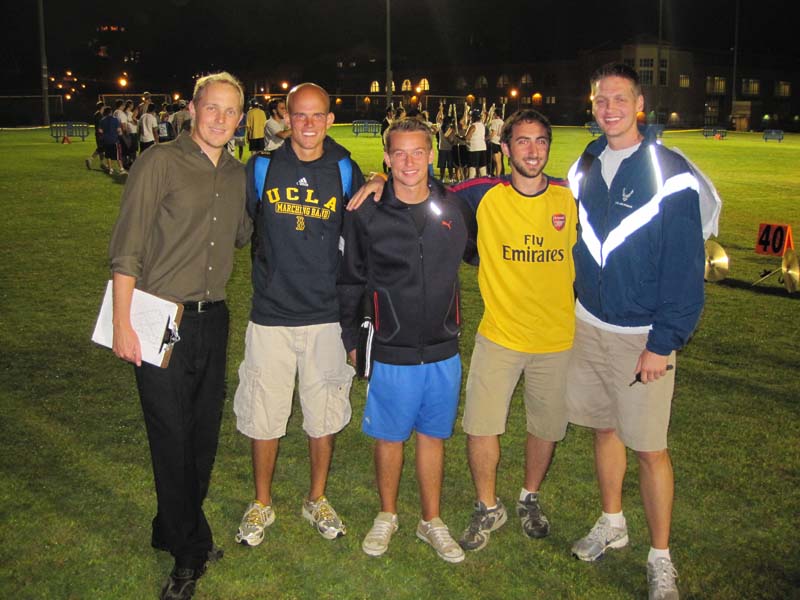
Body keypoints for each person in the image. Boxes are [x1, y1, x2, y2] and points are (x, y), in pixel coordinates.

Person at [348, 109, 578, 555]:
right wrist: (378, 177)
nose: (411, 162)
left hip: (499, 341)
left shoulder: (557, 198)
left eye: (541, 141)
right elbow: (356, 271)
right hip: (440, 339)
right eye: (401, 154)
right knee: (429, 432)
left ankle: (478, 509)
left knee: (479, 431)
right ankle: (415, 512)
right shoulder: (452, 198)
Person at [108, 72, 251, 600]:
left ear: (241, 118)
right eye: (211, 107)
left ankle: (172, 526)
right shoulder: (159, 161)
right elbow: (128, 245)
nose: (219, 118)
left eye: (230, 111)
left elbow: (240, 234)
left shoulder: (238, 173)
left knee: (203, 434)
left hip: (213, 317)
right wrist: (123, 323)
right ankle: (188, 552)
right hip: (157, 314)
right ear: (193, 109)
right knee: (171, 434)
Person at [565, 63, 704, 600]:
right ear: (592, 104)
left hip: (642, 334)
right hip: (590, 325)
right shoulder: (587, 162)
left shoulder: (670, 170)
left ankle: (660, 556)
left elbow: (685, 266)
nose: (610, 109)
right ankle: (613, 522)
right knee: (604, 430)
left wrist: (662, 341)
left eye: (620, 99)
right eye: (601, 100)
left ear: (639, 102)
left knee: (649, 448)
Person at [233, 83, 365, 548]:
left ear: (330, 119)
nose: (308, 124)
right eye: (299, 115)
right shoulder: (262, 167)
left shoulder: (346, 170)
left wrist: (380, 180)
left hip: (326, 315)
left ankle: (317, 498)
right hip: (270, 314)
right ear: (286, 118)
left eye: (317, 115)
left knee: (323, 415)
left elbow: (362, 231)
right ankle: (262, 502)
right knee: (263, 414)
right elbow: (241, 226)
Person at [338, 118, 468, 563]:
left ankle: (430, 520)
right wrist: (351, 334)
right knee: (390, 437)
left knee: (434, 436)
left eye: (418, 152)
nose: (409, 162)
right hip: (390, 345)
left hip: (442, 348)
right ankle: (387, 513)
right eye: (399, 154)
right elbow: (350, 278)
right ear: (387, 158)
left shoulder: (454, 207)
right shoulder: (366, 211)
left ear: (432, 154)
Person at [98, 106, 125, 175]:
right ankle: (121, 169)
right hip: (114, 140)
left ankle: (110, 169)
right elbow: (119, 130)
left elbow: (100, 131)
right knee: (118, 155)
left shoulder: (102, 120)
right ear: (111, 112)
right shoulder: (115, 119)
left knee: (108, 155)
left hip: (106, 140)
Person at [465, 109, 487, 179]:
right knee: (482, 166)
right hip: (483, 147)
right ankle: (484, 181)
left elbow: (467, 137)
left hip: (474, 148)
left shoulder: (473, 126)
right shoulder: (482, 125)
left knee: (472, 166)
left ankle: (471, 181)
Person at [86, 101, 106, 170]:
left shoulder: (98, 114)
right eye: (104, 106)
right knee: (101, 149)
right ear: (102, 107)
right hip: (100, 135)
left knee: (101, 149)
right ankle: (90, 159)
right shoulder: (99, 115)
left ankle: (102, 163)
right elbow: (99, 127)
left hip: (99, 134)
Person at [487, 110, 504, 176]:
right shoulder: (502, 122)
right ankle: (498, 175)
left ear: (496, 114)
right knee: (499, 162)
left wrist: (487, 138)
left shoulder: (494, 121)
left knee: (495, 161)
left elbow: (493, 133)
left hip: (494, 142)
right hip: (499, 142)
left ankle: (497, 176)